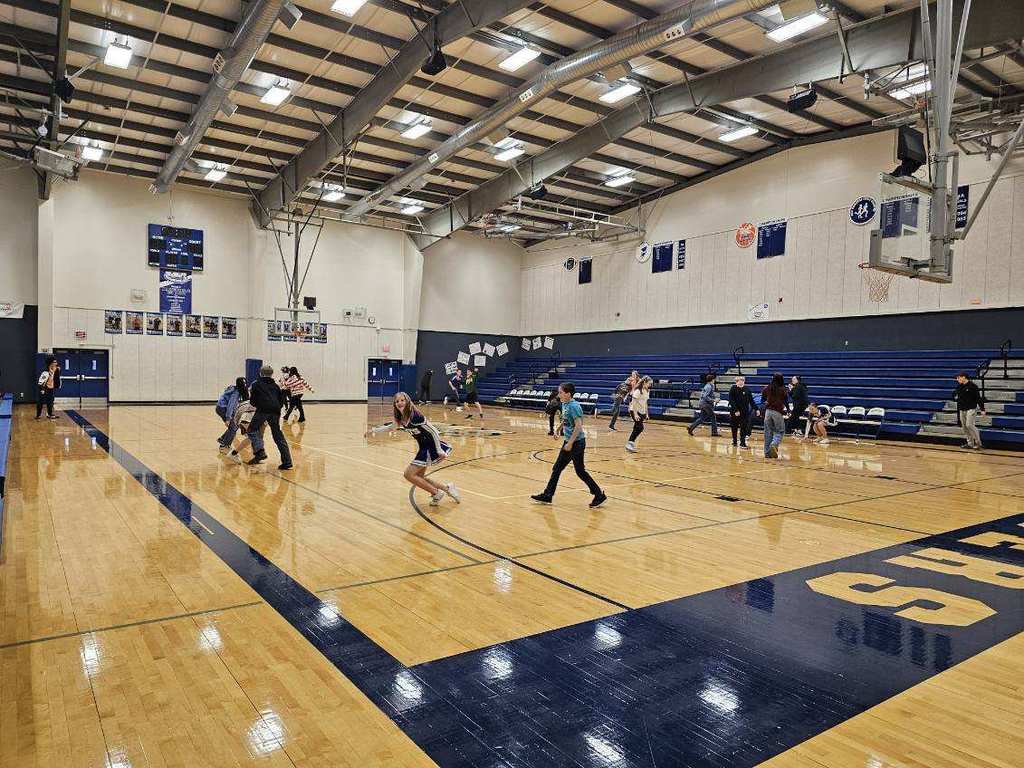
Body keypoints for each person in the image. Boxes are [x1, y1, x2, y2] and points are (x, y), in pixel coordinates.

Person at [365, 392, 460, 506]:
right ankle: (448, 488)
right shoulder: (400, 417)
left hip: (430, 446)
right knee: (419, 477)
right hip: (423, 447)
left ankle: (436, 493)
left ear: (407, 401)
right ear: (395, 404)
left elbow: (433, 431)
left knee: (408, 474)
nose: (400, 403)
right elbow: (391, 427)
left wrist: (439, 449)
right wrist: (373, 431)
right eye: (397, 401)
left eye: (402, 400)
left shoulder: (415, 416)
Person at [531, 382, 606, 507]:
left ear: (568, 394)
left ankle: (548, 494)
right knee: (570, 470)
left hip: (576, 442)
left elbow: (579, 425)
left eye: (560, 392)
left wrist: (570, 443)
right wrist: (559, 429)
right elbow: (566, 419)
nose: (558, 394)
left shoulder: (574, 406)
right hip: (572, 441)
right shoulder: (564, 404)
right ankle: (598, 495)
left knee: (568, 469)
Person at [247, 364, 293, 470]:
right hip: (275, 411)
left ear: (260, 373)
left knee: (251, 430)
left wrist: (259, 405)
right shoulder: (276, 386)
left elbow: (253, 401)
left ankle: (260, 451)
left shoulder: (256, 384)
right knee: (278, 436)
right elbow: (281, 401)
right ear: (271, 374)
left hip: (262, 410)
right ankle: (287, 462)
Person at [953, 372, 985, 450]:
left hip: (971, 408)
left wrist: (982, 409)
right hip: (962, 409)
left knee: (969, 425)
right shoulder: (959, 387)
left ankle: (978, 443)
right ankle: (970, 443)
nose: (957, 379)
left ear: (964, 377)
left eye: (958, 377)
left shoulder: (973, 386)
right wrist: (955, 397)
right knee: (964, 427)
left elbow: (978, 398)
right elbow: (953, 395)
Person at [761, 372, 789, 459]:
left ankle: (767, 453)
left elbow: (763, 399)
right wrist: (788, 410)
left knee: (768, 433)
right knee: (780, 431)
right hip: (777, 412)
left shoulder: (767, 388)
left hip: (768, 412)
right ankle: (774, 444)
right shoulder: (783, 389)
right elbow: (786, 401)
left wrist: (767, 402)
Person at [216, 377, 249, 449]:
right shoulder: (236, 393)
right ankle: (224, 445)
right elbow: (230, 406)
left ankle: (222, 439)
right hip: (223, 408)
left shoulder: (234, 388)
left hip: (220, 407)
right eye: (244, 384)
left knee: (234, 425)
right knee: (233, 427)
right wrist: (228, 418)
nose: (245, 385)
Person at [625, 376, 653, 453]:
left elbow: (645, 403)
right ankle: (630, 443)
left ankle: (630, 443)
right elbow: (633, 403)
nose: (650, 385)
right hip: (634, 410)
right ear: (644, 382)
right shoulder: (638, 391)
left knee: (637, 427)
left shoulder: (647, 391)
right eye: (649, 383)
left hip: (642, 411)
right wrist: (635, 414)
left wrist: (647, 414)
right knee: (640, 427)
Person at [687, 372, 720, 437]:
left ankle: (691, 428)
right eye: (714, 379)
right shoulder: (709, 387)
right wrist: (714, 400)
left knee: (702, 418)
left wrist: (713, 399)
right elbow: (705, 396)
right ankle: (714, 432)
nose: (715, 380)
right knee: (713, 416)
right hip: (705, 404)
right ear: (712, 380)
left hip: (702, 404)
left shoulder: (708, 385)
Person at [728, 375, 755, 448]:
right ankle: (734, 441)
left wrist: (756, 409)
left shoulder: (747, 389)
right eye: (740, 380)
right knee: (734, 427)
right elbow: (731, 400)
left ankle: (742, 442)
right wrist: (736, 410)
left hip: (745, 412)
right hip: (735, 411)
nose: (742, 381)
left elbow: (751, 400)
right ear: (736, 381)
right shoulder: (733, 388)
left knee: (743, 427)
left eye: (743, 380)